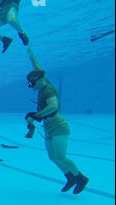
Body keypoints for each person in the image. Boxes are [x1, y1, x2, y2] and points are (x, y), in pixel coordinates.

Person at [25, 47, 88, 194]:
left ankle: (81, 178)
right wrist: (31, 56)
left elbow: (53, 105)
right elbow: (39, 69)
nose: (31, 86)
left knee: (61, 156)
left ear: (38, 81)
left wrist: (37, 115)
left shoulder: (48, 91)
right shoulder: (43, 82)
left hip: (59, 126)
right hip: (49, 127)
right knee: (53, 157)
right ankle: (70, 177)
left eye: (31, 83)